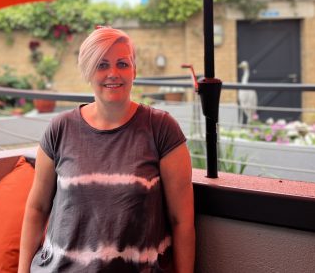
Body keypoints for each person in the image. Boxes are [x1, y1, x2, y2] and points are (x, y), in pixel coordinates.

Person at [18, 26, 195, 273]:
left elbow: (182, 221)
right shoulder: (60, 128)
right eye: (102, 65)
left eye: (122, 64)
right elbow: (36, 208)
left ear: (134, 69)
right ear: (88, 71)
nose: (113, 73)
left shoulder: (161, 129)